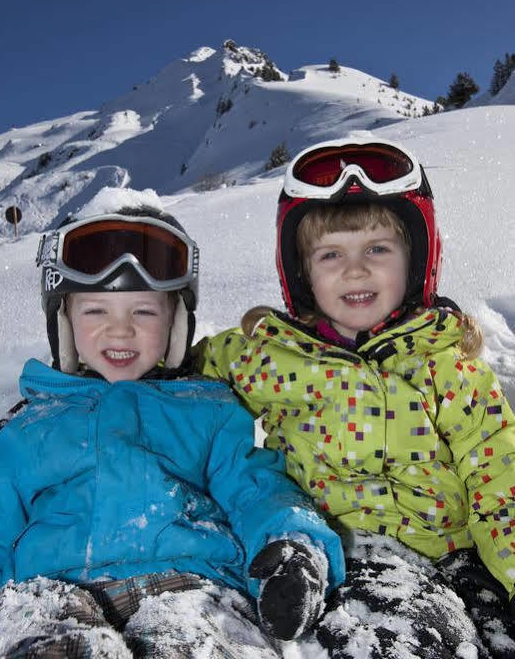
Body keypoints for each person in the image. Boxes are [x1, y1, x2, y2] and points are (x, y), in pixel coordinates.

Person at [0, 196, 346, 659]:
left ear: (175, 321)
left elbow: (256, 488)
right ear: (63, 321)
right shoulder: (30, 428)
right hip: (50, 591)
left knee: (196, 641)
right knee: (47, 640)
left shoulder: (209, 411)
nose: (120, 331)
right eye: (96, 311)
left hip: (191, 586)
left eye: (143, 312)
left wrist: (293, 545)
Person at [196, 136, 515, 658]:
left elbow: (498, 477)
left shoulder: (447, 366)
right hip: (353, 555)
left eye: (377, 249)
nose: (355, 269)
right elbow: (182, 379)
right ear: (301, 273)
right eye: (330, 255)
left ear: (417, 259)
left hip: (459, 559)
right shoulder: (272, 357)